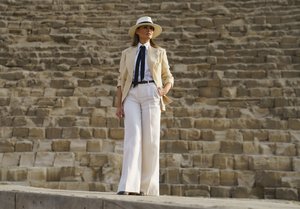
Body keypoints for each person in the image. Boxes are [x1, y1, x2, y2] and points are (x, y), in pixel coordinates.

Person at [115, 16, 174, 196]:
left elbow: (168, 76)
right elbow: (121, 80)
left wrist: (164, 90)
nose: (149, 30)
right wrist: (119, 105)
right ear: (137, 31)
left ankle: (147, 188)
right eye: (145, 27)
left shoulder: (160, 52)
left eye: (151, 28)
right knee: (132, 137)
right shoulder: (127, 53)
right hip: (132, 94)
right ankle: (128, 185)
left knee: (151, 140)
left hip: (151, 92)